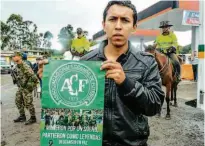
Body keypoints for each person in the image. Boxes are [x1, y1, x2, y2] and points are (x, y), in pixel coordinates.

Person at [81, 1, 164, 146]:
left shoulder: (147, 62)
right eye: (112, 19)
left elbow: (154, 106)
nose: (118, 26)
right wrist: (50, 79)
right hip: (93, 142)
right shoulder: (85, 62)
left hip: (132, 144)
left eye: (125, 20)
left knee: (174, 60)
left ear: (134, 27)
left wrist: (127, 83)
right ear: (104, 24)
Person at [11, 51, 39, 125]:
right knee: (18, 101)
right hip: (21, 87)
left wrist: (28, 88)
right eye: (13, 56)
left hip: (26, 87)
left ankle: (33, 118)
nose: (13, 57)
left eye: (15, 56)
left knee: (28, 103)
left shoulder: (24, 65)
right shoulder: (17, 66)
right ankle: (22, 116)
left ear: (19, 57)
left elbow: (34, 78)